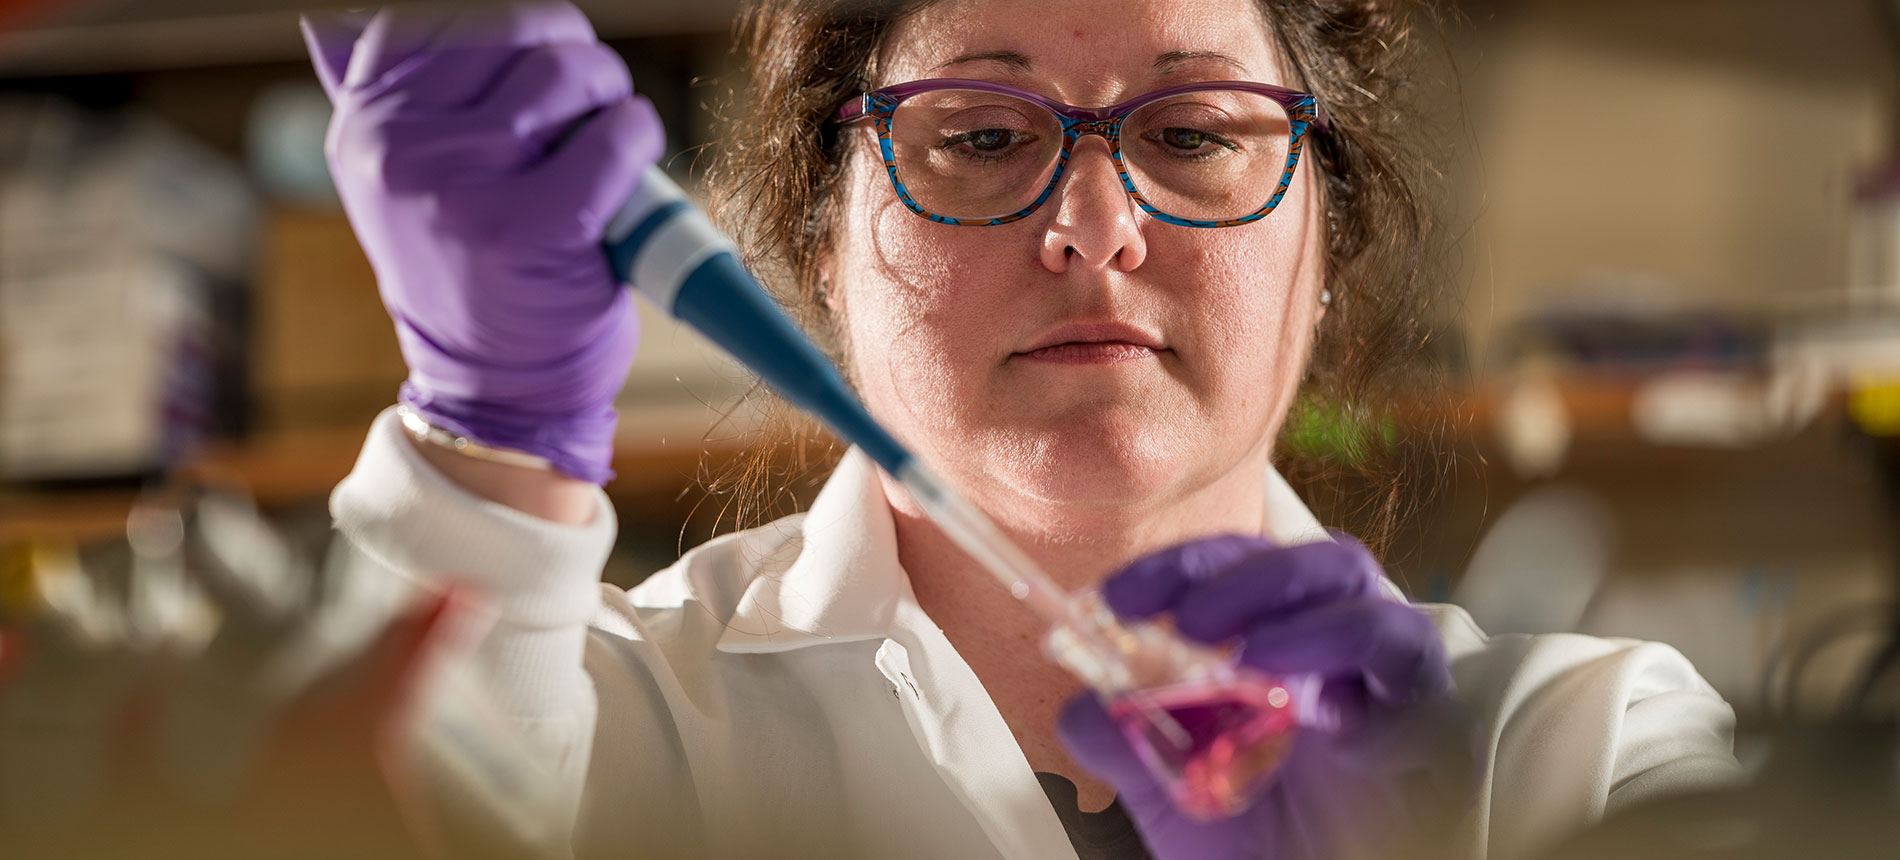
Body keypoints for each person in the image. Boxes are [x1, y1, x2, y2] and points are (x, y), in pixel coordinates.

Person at [305, 1, 1743, 858]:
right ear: (818, 241)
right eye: (982, 136)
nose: (1096, 228)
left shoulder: (1589, 753)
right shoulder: (598, 739)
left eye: (1196, 133)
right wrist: (488, 429)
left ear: (1329, 229)